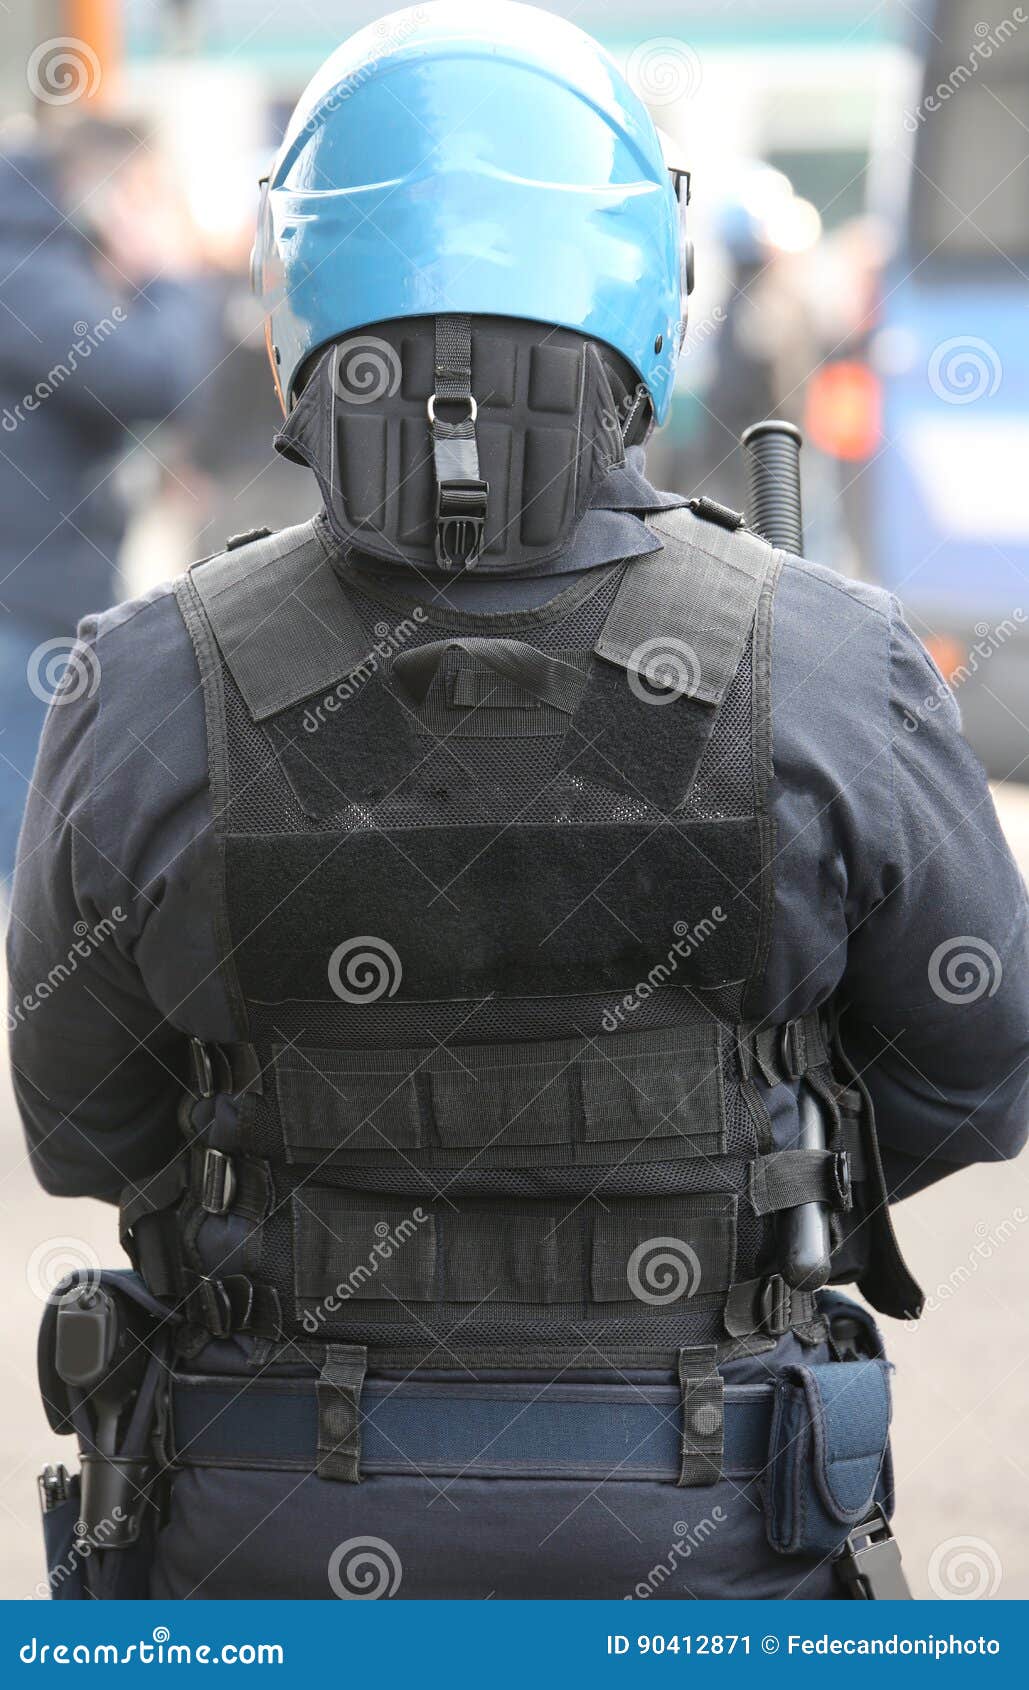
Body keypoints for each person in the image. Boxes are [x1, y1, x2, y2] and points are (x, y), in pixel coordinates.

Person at [10, 1, 1029, 1602]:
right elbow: (974, 1078)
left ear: (297, 291)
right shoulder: (835, 658)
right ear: (645, 287)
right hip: (717, 1538)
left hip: (255, 1540)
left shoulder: (139, 679)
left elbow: (86, 1124)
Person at [0, 116, 219, 882]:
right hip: (22, 606)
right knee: (32, 863)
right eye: (151, 195)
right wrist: (172, 275)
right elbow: (154, 374)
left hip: (35, 595)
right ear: (113, 196)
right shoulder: (21, 263)